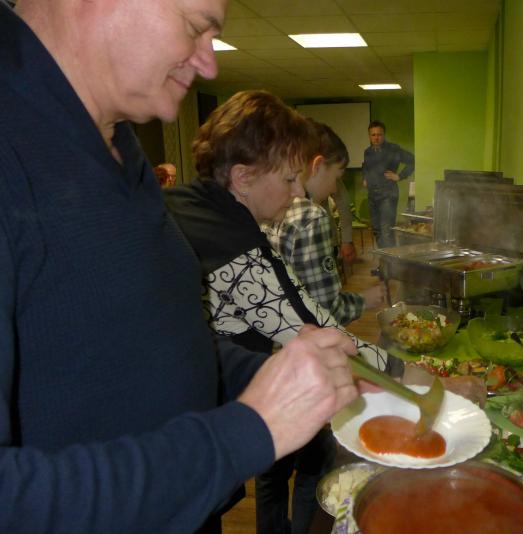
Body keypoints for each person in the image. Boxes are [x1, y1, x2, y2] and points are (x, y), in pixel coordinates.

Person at [0, 2, 361, 533]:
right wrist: (247, 432)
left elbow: (154, 340)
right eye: (195, 27)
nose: (209, 63)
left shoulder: (116, 141)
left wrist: (272, 376)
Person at [163, 91, 388, 534]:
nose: (298, 191)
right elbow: (308, 323)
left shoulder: (189, 205)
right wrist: (411, 376)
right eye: (288, 179)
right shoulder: (228, 241)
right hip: (181, 444)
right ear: (243, 177)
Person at [267, 120, 385, 326]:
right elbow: (327, 311)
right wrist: (364, 300)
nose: (334, 189)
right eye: (336, 177)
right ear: (318, 166)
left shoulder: (270, 205)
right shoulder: (312, 217)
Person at [361, 120, 415, 248]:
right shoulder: (367, 152)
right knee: (377, 230)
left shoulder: (393, 149)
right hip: (372, 195)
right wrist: (365, 178)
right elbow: (366, 167)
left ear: (384, 135)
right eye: (373, 135)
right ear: (369, 136)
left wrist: (400, 176)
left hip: (388, 195)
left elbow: (412, 160)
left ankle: (390, 260)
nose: (376, 138)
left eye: (379, 134)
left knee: (386, 232)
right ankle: (383, 258)